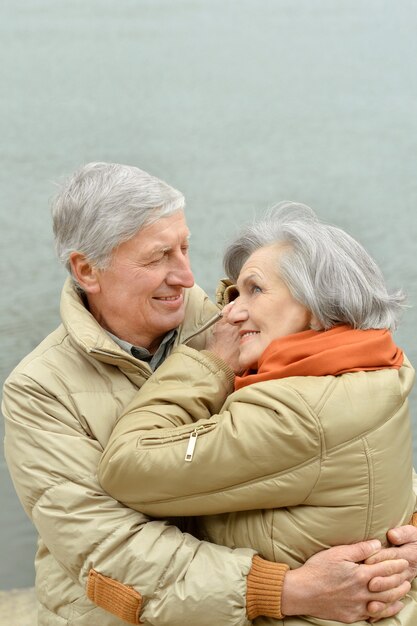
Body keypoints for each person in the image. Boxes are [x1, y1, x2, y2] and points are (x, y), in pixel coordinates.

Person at [1, 165, 415, 626]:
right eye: (158, 257)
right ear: (87, 270)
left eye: (184, 246)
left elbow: (345, 432)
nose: (186, 275)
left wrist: (404, 529)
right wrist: (284, 591)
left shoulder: (233, 320)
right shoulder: (38, 391)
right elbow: (109, 548)